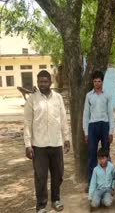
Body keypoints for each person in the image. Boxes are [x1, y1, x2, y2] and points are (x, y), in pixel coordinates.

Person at [24, 70, 70, 213]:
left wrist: (66, 138)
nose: (42, 84)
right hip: (39, 145)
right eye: (40, 81)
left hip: (56, 143)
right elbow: (27, 123)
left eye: (45, 81)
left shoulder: (58, 98)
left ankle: (56, 199)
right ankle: (41, 205)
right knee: (41, 177)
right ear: (37, 82)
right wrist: (27, 144)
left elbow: (63, 119)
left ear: (50, 82)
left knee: (58, 174)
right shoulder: (32, 99)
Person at [83, 70, 115, 188]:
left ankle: (110, 181)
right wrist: (86, 132)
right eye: (95, 81)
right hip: (92, 126)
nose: (97, 83)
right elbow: (86, 114)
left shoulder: (107, 95)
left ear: (102, 82)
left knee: (106, 153)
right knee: (92, 155)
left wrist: (111, 131)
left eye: (99, 81)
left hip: (104, 125)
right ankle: (91, 182)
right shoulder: (89, 96)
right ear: (93, 82)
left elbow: (111, 114)